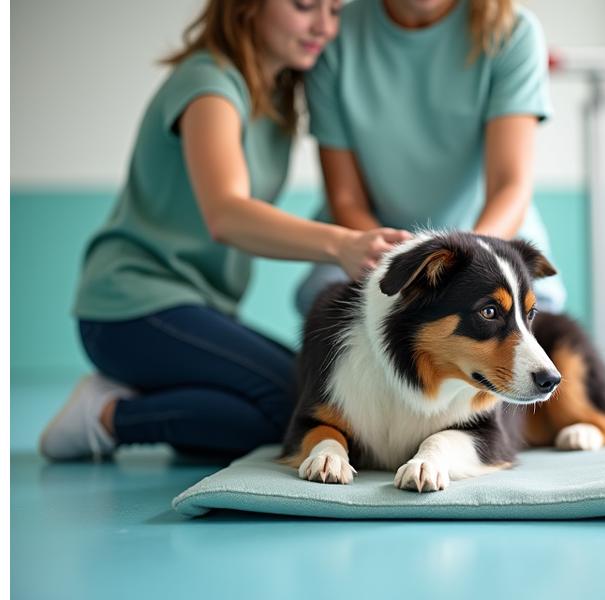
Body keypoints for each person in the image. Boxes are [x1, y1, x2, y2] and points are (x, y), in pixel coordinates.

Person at [39, 0, 410, 461]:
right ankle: (108, 418)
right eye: (305, 6)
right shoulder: (209, 84)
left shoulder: (276, 96)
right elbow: (227, 215)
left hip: (199, 308)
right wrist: (341, 243)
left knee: (307, 394)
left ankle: (149, 400)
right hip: (132, 306)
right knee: (296, 406)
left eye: (334, 10)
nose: (325, 26)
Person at [295, 0, 567, 316]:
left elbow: (510, 185)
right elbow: (345, 199)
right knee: (333, 317)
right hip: (372, 241)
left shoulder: (512, 32)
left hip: (492, 239)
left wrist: (468, 266)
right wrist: (405, 268)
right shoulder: (333, 31)